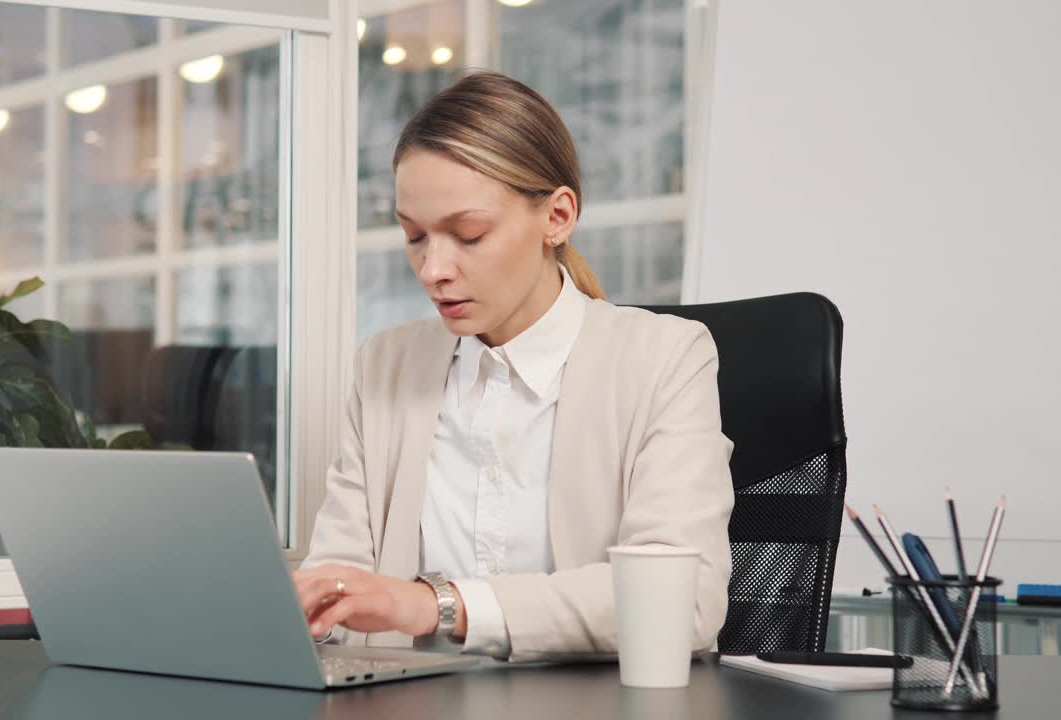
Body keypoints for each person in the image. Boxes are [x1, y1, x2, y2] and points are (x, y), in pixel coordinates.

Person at [294, 71, 734, 662]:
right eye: (415, 236)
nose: (432, 270)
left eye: (468, 234)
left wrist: (436, 605)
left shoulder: (665, 358)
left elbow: (682, 603)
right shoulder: (385, 366)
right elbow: (338, 578)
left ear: (557, 216)